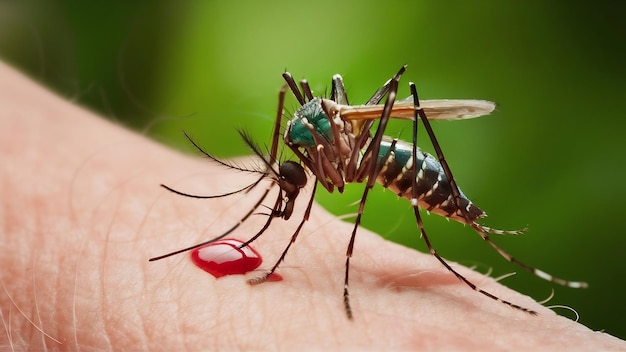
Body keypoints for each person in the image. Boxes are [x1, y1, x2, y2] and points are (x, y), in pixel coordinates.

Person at [1, 61, 623, 351]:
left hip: (393, 161)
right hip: (353, 150)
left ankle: (442, 232)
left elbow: (330, 140)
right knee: (300, 95)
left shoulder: (325, 139)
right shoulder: (301, 138)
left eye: (284, 179)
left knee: (394, 96)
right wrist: (267, 181)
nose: (288, 189)